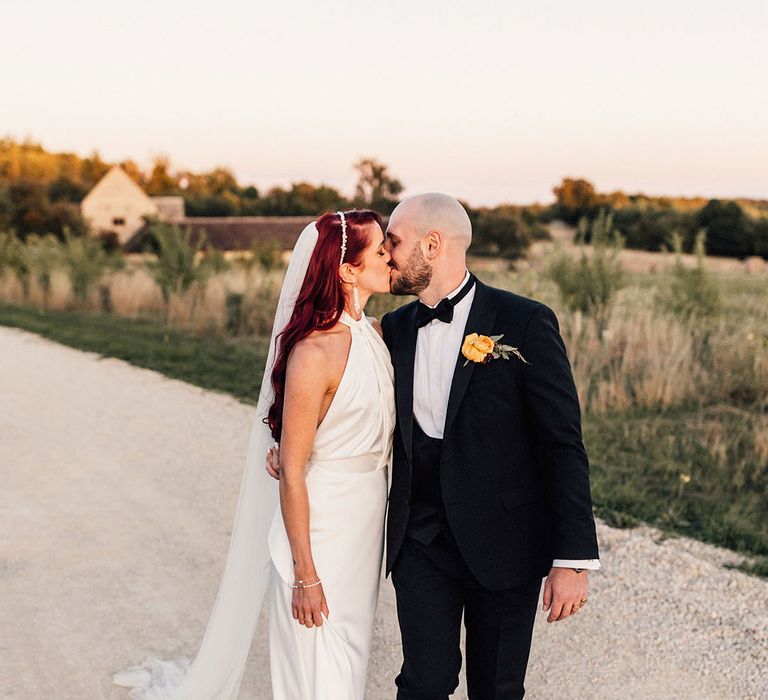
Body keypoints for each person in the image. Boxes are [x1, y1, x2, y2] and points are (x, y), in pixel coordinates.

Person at [113, 209, 395, 699]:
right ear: (347, 269)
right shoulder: (314, 352)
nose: (392, 258)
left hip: (366, 523)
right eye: (382, 251)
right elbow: (291, 472)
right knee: (314, 665)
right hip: (321, 524)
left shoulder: (375, 334)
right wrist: (305, 574)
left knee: (350, 656)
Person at [379, 193, 601, 699]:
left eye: (394, 241)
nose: (386, 253)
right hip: (421, 540)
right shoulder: (393, 329)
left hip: (507, 542)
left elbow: (561, 443)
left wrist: (572, 558)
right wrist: (285, 437)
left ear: (432, 245)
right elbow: (336, 384)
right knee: (423, 683)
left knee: (497, 689)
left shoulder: (524, 321)